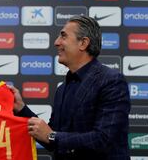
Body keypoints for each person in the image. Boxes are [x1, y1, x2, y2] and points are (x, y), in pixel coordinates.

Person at [9, 15, 131, 160]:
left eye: (63, 36)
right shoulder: (62, 89)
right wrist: (21, 109)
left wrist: (51, 136)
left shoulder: (111, 81)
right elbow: (50, 138)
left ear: (83, 43)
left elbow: (103, 138)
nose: (56, 42)